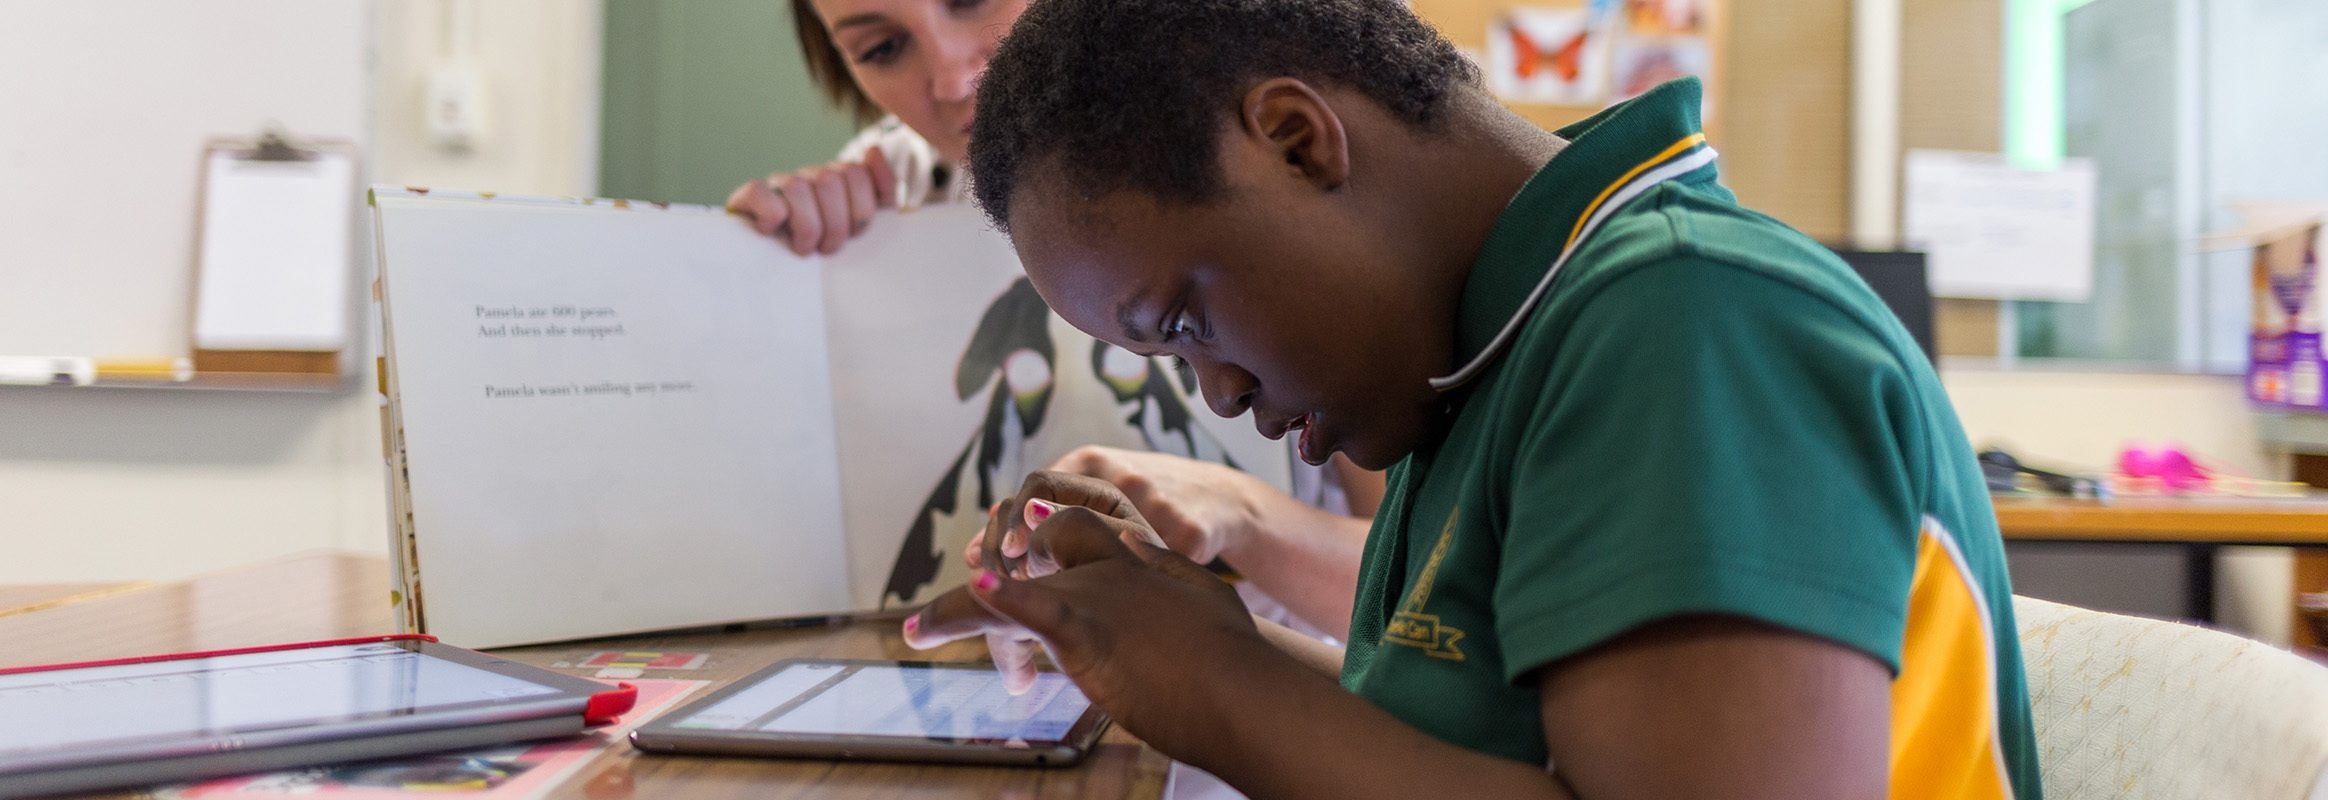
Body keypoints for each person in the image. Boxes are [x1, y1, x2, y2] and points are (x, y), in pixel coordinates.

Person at [901, 0, 2043, 797]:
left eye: (1186, 323)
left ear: (1296, 142)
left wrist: (1221, 681)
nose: (1220, 390)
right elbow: (1468, 735)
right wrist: (1179, 632)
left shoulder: (1688, 317)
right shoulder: (1485, 355)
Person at [726, 0, 1384, 636]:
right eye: (882, 48)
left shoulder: (1275, 149)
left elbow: (1437, 603)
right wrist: (768, 265)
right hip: (993, 714)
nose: (953, 78)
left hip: (1286, 720)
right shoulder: (884, 201)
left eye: (970, 0)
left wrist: (1244, 515)